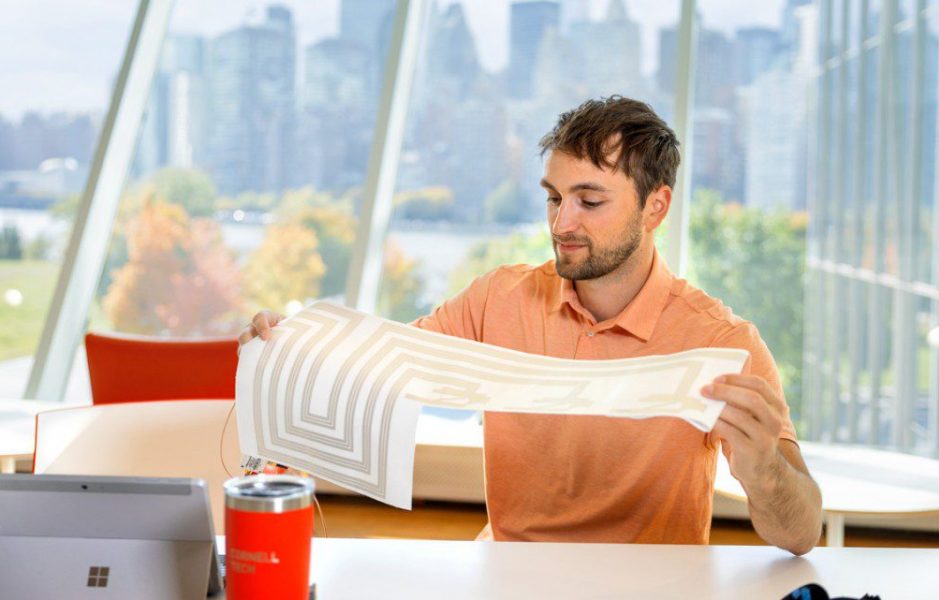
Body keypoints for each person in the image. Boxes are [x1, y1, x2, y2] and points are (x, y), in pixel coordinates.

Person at [239, 96, 823, 555]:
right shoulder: (501, 297)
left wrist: (763, 467)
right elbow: (385, 362)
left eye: (589, 202)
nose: (561, 222)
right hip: (507, 576)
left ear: (656, 207)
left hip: (649, 587)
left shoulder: (723, 342)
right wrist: (292, 348)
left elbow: (799, 534)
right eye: (553, 197)